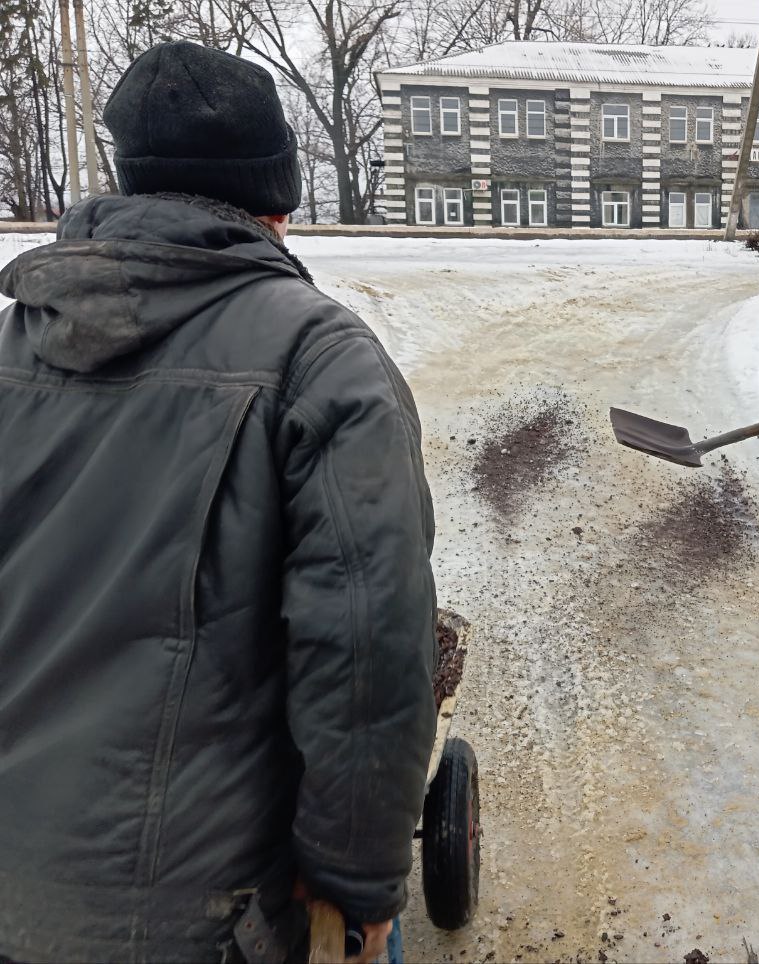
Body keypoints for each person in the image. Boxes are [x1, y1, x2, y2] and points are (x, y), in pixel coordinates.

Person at [0, 42, 437, 963]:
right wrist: (355, 879)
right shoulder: (319, 358)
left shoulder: (10, 343)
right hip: (189, 907)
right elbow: (365, 638)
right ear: (278, 200)